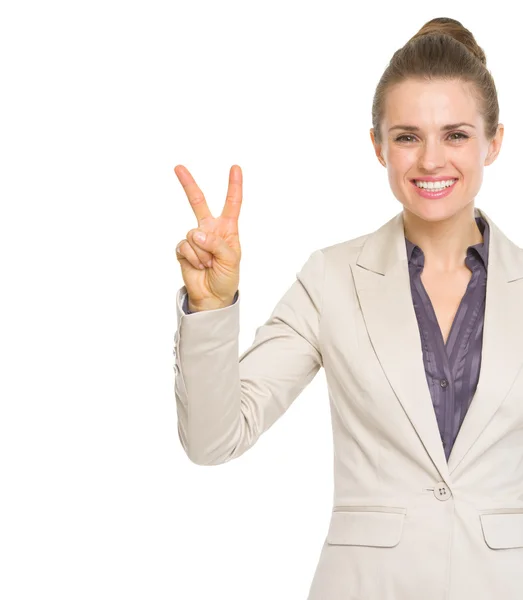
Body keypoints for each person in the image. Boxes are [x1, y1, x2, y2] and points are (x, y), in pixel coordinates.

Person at [172, 17, 523, 600]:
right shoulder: (331, 278)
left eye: (456, 135)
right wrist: (212, 306)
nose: (431, 160)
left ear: (493, 141)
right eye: (408, 136)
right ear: (378, 145)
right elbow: (214, 439)